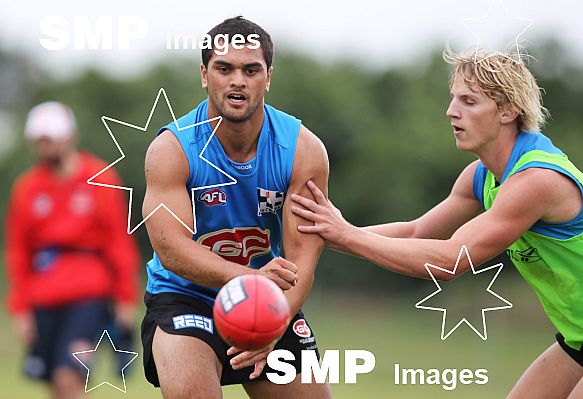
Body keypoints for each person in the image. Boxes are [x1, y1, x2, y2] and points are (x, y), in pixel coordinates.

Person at [291, 47, 583, 397]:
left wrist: (347, 236)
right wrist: (324, 233)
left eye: (469, 101)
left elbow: (450, 261)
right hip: (576, 339)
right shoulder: (481, 176)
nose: (451, 111)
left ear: (507, 111)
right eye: (453, 98)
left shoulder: (535, 181)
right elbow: (416, 231)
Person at [140, 16, 331, 399]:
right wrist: (248, 279)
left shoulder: (303, 150)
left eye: (251, 69)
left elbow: (302, 260)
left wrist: (275, 321)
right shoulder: (172, 149)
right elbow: (171, 249)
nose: (237, 80)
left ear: (268, 76)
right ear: (204, 75)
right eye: (224, 68)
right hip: (185, 296)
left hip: (267, 301)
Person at [4, 101, 140, 399]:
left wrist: (124, 299)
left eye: (50, 139)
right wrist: (21, 308)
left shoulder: (100, 178)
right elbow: (18, 252)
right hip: (44, 296)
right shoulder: (27, 188)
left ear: (69, 137)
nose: (45, 146)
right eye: (39, 140)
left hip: (89, 295)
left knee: (69, 376)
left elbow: (118, 241)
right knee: (54, 382)